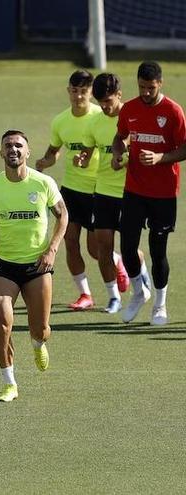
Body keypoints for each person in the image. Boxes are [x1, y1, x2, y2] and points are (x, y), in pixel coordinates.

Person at [0, 130, 67, 402]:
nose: (13, 150)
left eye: (19, 146)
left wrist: (51, 249)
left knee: (39, 328)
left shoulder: (43, 183)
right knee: (2, 324)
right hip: (5, 266)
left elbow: (63, 216)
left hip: (38, 265)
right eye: (8, 146)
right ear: (1, 152)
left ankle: (38, 343)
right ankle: (9, 383)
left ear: (27, 152)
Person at [36, 70, 127, 311]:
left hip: (97, 189)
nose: (78, 97)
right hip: (71, 189)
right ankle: (85, 294)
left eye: (84, 92)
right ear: (68, 91)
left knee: (96, 250)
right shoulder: (60, 121)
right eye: (74, 91)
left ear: (92, 94)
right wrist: (44, 162)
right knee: (70, 241)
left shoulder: (101, 115)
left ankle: (119, 261)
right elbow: (54, 151)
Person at [112, 61, 186, 325]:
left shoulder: (173, 111)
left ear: (160, 84)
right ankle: (139, 292)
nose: (145, 92)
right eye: (142, 87)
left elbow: (185, 148)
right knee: (128, 247)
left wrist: (160, 157)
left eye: (150, 88)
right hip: (134, 189)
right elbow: (120, 137)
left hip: (164, 193)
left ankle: (160, 303)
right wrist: (118, 154)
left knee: (158, 250)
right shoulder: (129, 109)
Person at [75, 74, 150, 314]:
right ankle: (113, 296)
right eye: (101, 102)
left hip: (132, 193)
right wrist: (82, 159)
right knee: (102, 248)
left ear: (119, 95)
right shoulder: (95, 122)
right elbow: (87, 152)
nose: (105, 106)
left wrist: (127, 159)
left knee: (130, 249)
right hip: (103, 191)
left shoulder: (135, 116)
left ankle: (142, 275)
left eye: (108, 101)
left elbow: (150, 149)